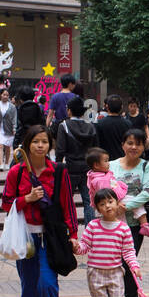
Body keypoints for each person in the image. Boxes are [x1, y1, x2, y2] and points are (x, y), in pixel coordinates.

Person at [2, 125, 80, 297]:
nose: (40, 146)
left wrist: (74, 235)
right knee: (29, 289)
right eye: (35, 141)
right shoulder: (16, 172)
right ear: (27, 144)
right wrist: (26, 199)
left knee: (47, 285)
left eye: (44, 142)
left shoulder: (58, 171)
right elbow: (6, 203)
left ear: (50, 145)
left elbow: (68, 205)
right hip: (25, 239)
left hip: (50, 238)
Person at [78, 188, 140, 297]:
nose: (107, 206)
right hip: (95, 272)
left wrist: (134, 266)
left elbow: (128, 251)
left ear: (117, 203)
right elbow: (84, 247)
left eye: (110, 202)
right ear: (97, 208)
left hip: (115, 272)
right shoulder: (92, 226)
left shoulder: (123, 229)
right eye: (102, 204)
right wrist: (75, 246)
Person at [111, 130, 149, 297]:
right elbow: (101, 189)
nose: (134, 147)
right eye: (130, 143)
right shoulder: (111, 166)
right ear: (123, 144)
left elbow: (148, 191)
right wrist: (113, 206)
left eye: (138, 144)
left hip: (134, 225)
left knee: (128, 265)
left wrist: (127, 206)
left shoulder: (147, 166)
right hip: (111, 223)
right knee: (114, 267)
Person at [88, 146, 149, 238]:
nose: (108, 163)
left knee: (121, 218)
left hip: (113, 200)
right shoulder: (100, 179)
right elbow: (105, 194)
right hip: (114, 201)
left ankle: (125, 232)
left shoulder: (97, 175)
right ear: (96, 165)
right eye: (106, 161)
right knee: (135, 201)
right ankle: (144, 225)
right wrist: (117, 203)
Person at [55, 96, 99, 224]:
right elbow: (96, 149)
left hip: (70, 169)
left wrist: (57, 168)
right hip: (88, 169)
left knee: (66, 201)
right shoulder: (91, 126)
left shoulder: (64, 126)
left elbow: (60, 150)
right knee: (89, 202)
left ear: (69, 111)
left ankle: (67, 230)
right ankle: (90, 232)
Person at [96, 94, 130, 160]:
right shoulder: (128, 124)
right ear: (121, 107)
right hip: (123, 160)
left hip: (105, 161)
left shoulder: (99, 124)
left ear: (107, 107)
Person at [0, 88, 16, 172]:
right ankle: (1, 164)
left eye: (7, 95)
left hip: (8, 128)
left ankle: (6, 163)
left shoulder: (12, 106)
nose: (5, 96)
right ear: (0, 95)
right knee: (0, 145)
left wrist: (14, 127)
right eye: (3, 94)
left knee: (7, 146)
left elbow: (14, 118)